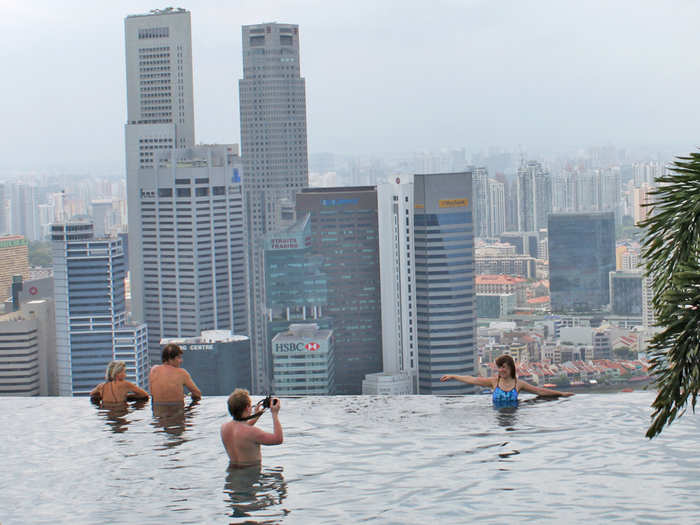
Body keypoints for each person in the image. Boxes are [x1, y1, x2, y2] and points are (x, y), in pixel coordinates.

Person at [440, 354, 574, 405]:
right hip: (497, 416)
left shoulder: (518, 384)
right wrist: (453, 376)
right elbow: (472, 380)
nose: (501, 370)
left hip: (513, 415)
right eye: (499, 367)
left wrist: (561, 394)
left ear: (510, 368)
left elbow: (539, 391)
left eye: (503, 367)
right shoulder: (494, 382)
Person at [221, 388, 283, 468]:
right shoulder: (253, 432)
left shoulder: (224, 428)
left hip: (232, 471)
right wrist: (275, 414)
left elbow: (241, 429)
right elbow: (278, 439)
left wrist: (256, 416)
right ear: (247, 407)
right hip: (250, 473)